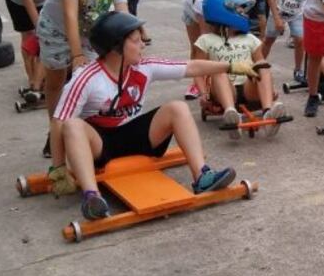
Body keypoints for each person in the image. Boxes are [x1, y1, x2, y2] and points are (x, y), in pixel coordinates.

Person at [54, 11, 254, 219]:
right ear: (116, 47)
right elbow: (59, 120)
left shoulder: (145, 67)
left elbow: (191, 67)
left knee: (177, 108)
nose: (143, 45)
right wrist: (58, 167)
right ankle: (92, 197)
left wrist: (232, 66)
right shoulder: (86, 77)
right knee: (72, 125)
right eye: (136, 40)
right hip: (100, 144)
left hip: (137, 137)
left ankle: (202, 176)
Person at [37, 0, 128, 169]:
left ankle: (81, 133)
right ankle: (53, 132)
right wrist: (76, 55)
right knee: (56, 82)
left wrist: (131, 38)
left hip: (87, 31)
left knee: (85, 83)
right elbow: (68, 14)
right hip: (56, 29)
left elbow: (122, 11)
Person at [196, 0, 285, 137]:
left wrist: (270, 88)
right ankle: (231, 114)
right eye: (239, 9)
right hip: (223, 89)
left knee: (262, 65)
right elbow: (198, 70)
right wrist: (203, 93)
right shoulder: (206, 40)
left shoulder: (250, 39)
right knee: (218, 69)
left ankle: (268, 112)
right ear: (222, 11)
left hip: (248, 87)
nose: (243, 13)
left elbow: (261, 65)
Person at [5, 0, 59, 103]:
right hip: (18, 1)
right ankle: (32, 79)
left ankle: (39, 78)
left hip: (41, 2)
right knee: (30, 36)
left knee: (43, 39)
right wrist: (39, 25)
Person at [181, 0, 237, 100]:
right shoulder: (202, 3)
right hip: (191, 11)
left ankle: (223, 81)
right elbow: (205, 39)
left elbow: (233, 34)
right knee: (198, 48)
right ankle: (196, 84)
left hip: (217, 12)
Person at [264, 0, 313, 82]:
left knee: (300, 40)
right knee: (269, 39)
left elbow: (311, 6)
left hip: (296, 14)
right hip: (278, 11)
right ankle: (258, 65)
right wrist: (277, 18)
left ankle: (298, 70)